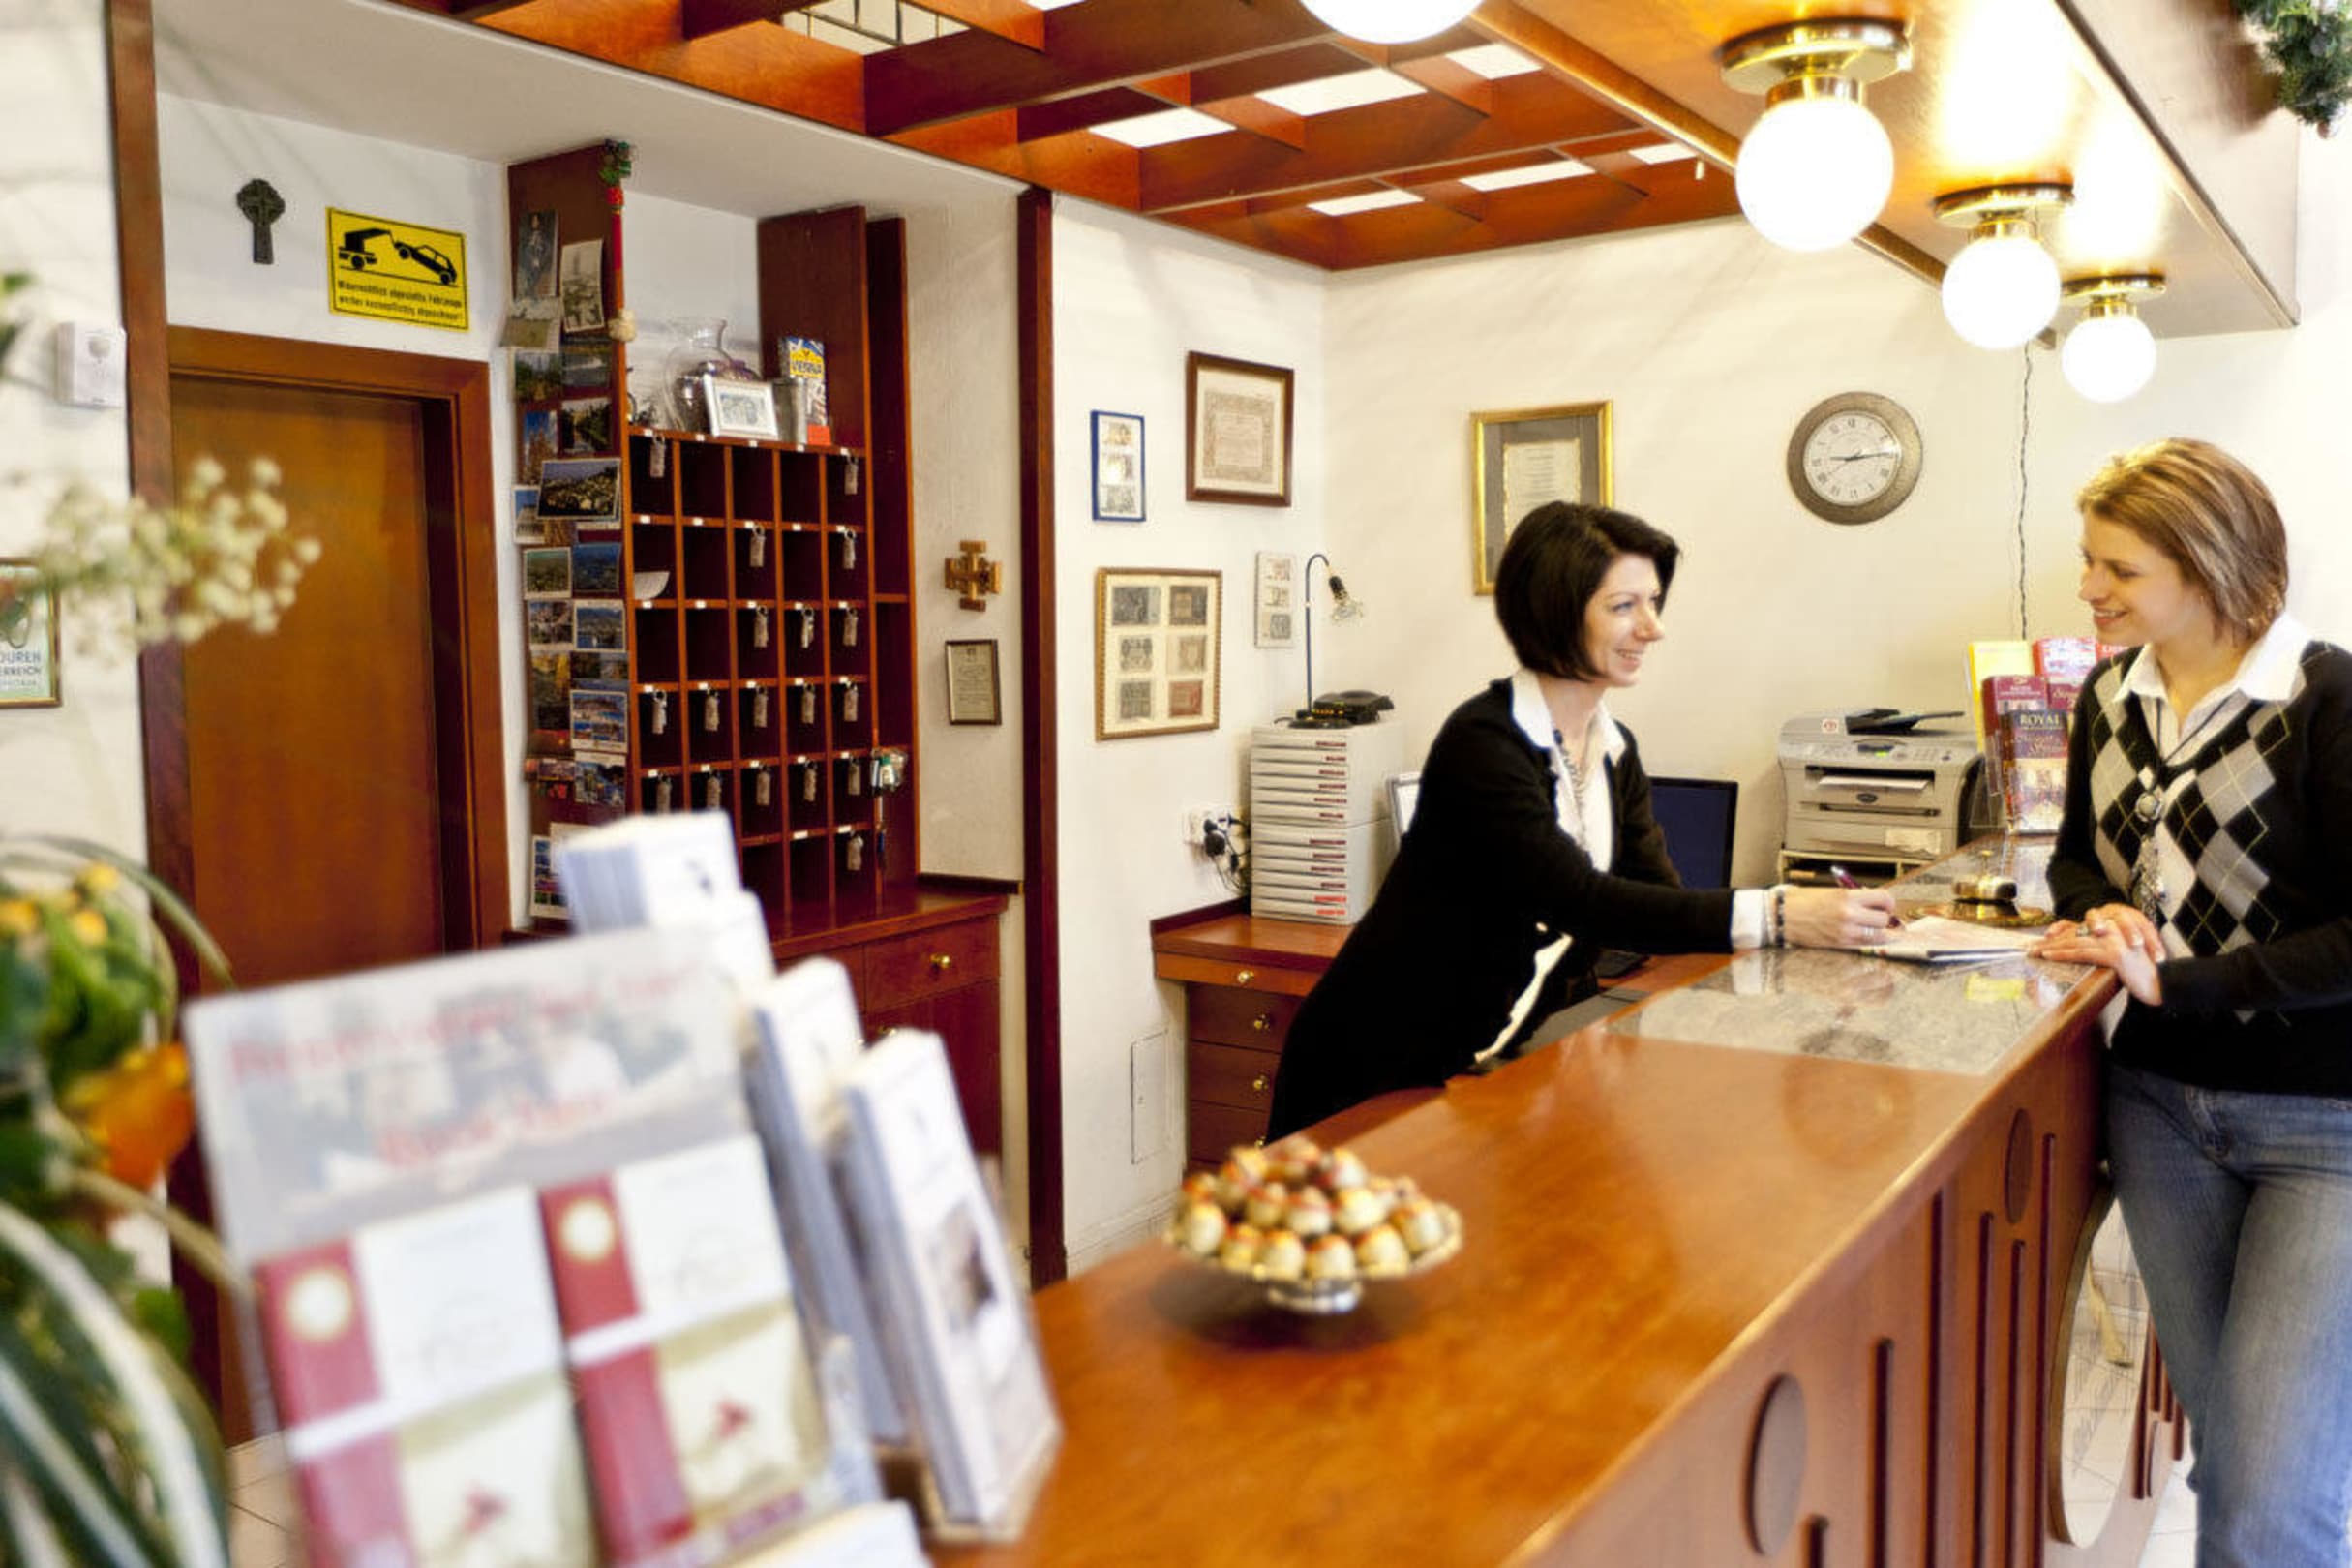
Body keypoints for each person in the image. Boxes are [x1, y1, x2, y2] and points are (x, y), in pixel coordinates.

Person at [1265, 501, 1896, 1137]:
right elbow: (1580, 900)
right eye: (1624, 606)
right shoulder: (1483, 742)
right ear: (1556, 611)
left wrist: (1804, 933)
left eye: (1653, 603)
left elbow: (1655, 899)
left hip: (1483, 1062)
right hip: (1379, 1063)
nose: (1652, 628)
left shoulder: (1614, 749)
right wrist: (1780, 913)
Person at [2031, 438, 2352, 1568]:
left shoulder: (2328, 698)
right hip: (2159, 1109)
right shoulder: (2108, 695)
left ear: (2210, 563)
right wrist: (2103, 913)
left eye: (2118, 568)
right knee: (2236, 1458)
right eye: (2089, 560)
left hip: (2326, 1124)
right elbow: (2076, 857)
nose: (2089, 587)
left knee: (2271, 1496)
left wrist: (2177, 980)